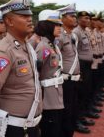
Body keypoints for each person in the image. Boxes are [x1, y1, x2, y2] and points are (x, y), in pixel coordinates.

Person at [0, 0, 42, 137]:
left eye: (30, 16)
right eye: (24, 16)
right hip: (12, 127)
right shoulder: (4, 51)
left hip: (30, 125)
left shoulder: (26, 46)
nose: (30, 19)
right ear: (9, 21)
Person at [34, 9, 64, 137]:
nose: (59, 28)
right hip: (47, 98)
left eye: (60, 25)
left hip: (55, 93)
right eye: (56, 25)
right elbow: (35, 73)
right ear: (47, 26)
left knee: (56, 128)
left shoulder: (52, 45)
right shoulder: (43, 47)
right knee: (50, 130)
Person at [56, 4, 80, 137]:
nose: (74, 18)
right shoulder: (59, 37)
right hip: (65, 81)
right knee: (65, 113)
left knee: (72, 112)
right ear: (63, 18)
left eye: (75, 16)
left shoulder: (73, 36)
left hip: (75, 79)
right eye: (71, 16)